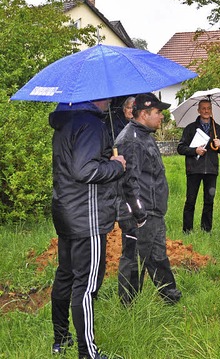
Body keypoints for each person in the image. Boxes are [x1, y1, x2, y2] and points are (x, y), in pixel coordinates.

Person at [49, 99, 126, 359]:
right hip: (87, 218)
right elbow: (85, 170)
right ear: (97, 97)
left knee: (66, 277)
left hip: (66, 212)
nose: (109, 100)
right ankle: (88, 353)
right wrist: (117, 165)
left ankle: (60, 340)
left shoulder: (65, 122)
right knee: (87, 285)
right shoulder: (90, 124)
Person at [115, 93, 182, 306]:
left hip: (153, 211)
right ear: (144, 113)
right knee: (134, 259)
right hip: (141, 214)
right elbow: (128, 182)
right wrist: (139, 215)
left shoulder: (144, 135)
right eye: (158, 112)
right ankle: (128, 306)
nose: (161, 116)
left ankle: (171, 298)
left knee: (157, 256)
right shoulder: (130, 140)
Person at [177, 99, 220, 234]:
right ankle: (187, 230)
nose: (206, 111)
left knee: (209, 201)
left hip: (211, 170)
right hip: (194, 169)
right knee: (190, 200)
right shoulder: (190, 128)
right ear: (198, 110)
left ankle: (206, 229)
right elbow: (181, 148)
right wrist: (195, 151)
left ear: (211, 110)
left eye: (208, 108)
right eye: (203, 108)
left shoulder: (217, 129)